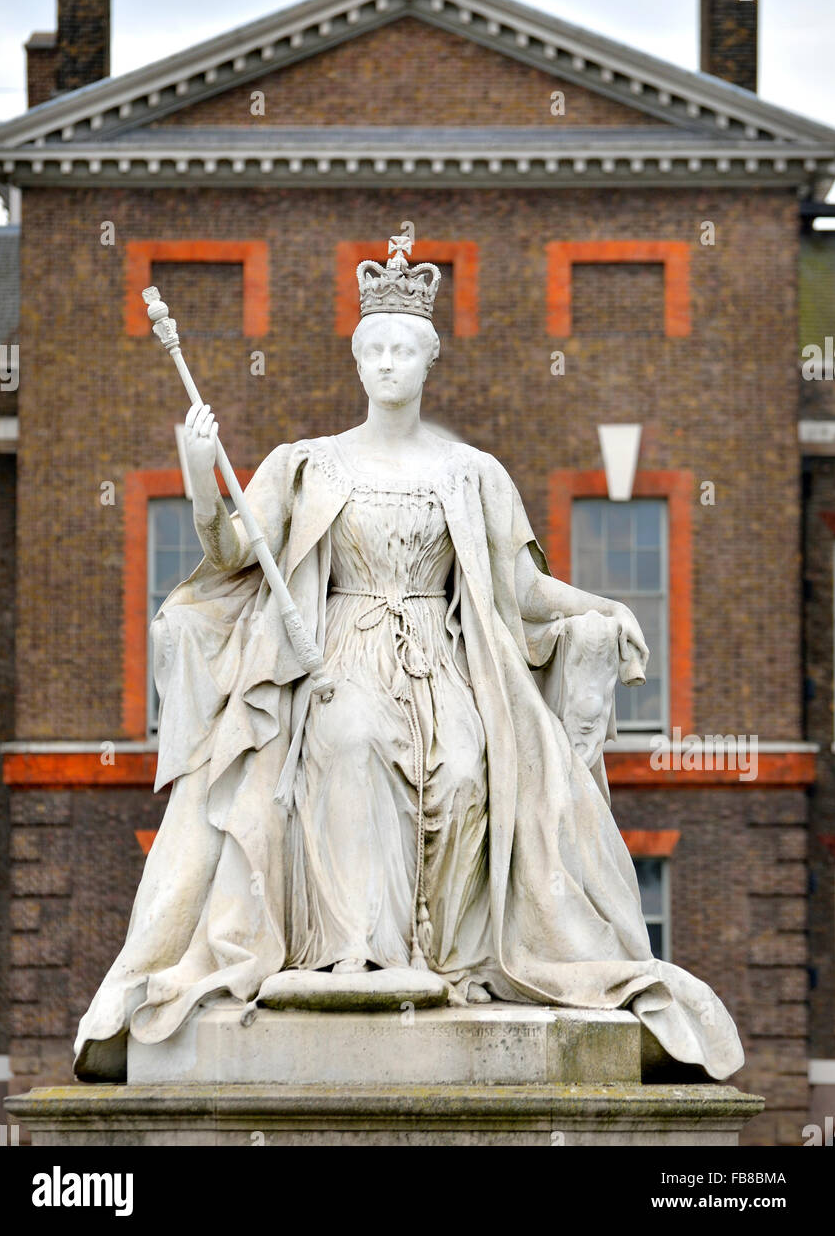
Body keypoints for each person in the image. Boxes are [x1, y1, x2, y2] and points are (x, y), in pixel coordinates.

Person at [74, 236, 743, 1082]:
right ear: (358, 362)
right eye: (376, 349)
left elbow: (520, 591)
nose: (390, 363)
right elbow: (238, 549)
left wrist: (598, 609)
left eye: (405, 350)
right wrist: (202, 473)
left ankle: (450, 965)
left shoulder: (472, 473)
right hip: (340, 657)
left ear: (429, 362)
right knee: (350, 743)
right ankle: (356, 955)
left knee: (468, 771)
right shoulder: (310, 463)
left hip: (445, 663)